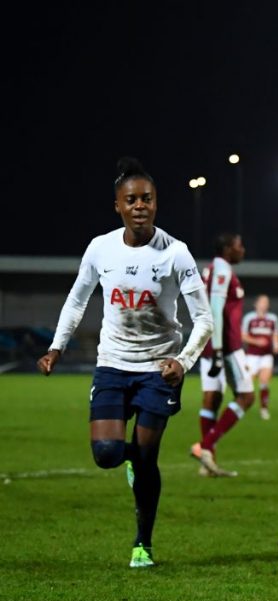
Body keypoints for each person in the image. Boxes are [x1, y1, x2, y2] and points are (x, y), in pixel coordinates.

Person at [37, 157, 213, 568]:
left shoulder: (177, 254)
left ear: (156, 203)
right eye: (131, 199)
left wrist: (183, 361)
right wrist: (56, 347)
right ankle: (127, 458)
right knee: (107, 454)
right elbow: (78, 299)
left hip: (158, 370)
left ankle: (142, 543)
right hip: (113, 365)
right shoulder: (101, 248)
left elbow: (204, 318)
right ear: (117, 205)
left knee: (148, 458)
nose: (140, 206)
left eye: (146, 199)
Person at [191, 233, 254, 477]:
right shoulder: (222, 269)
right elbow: (215, 309)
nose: (243, 250)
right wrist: (219, 350)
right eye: (239, 246)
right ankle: (205, 446)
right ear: (227, 249)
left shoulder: (209, 269)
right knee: (247, 397)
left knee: (211, 400)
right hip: (225, 346)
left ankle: (208, 465)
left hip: (210, 343)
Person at [242, 294, 278, 420]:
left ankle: (264, 409)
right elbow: (243, 335)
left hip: (266, 356)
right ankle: (241, 407)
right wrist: (256, 341)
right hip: (251, 356)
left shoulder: (273, 319)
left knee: (264, 382)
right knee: (248, 383)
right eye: (262, 302)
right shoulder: (249, 318)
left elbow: (275, 334)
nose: (265, 304)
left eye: (266, 302)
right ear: (256, 304)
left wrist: (276, 344)